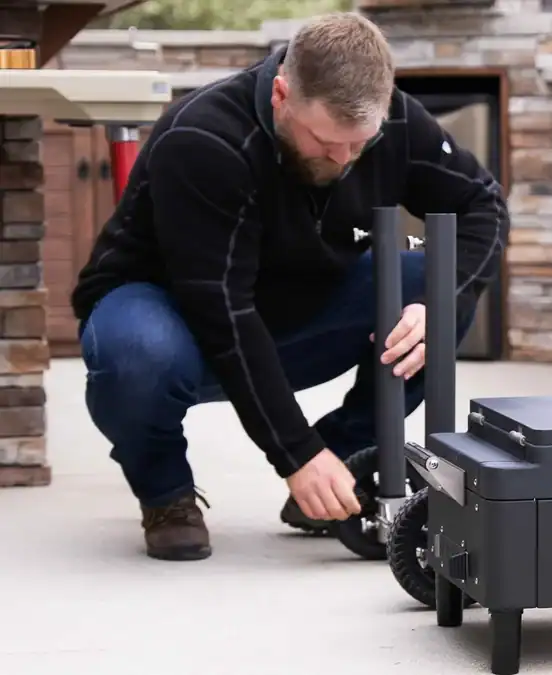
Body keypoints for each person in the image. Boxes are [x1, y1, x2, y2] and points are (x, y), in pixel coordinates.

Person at [70, 12, 510, 562]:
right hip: (172, 316)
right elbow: (222, 308)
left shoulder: (395, 122)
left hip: (296, 309)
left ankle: (343, 468)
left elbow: (482, 205)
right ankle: (166, 494)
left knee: (431, 287)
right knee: (136, 356)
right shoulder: (205, 138)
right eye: (325, 142)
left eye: (360, 144)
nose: (344, 159)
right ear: (282, 93)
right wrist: (295, 452)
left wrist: (442, 304)